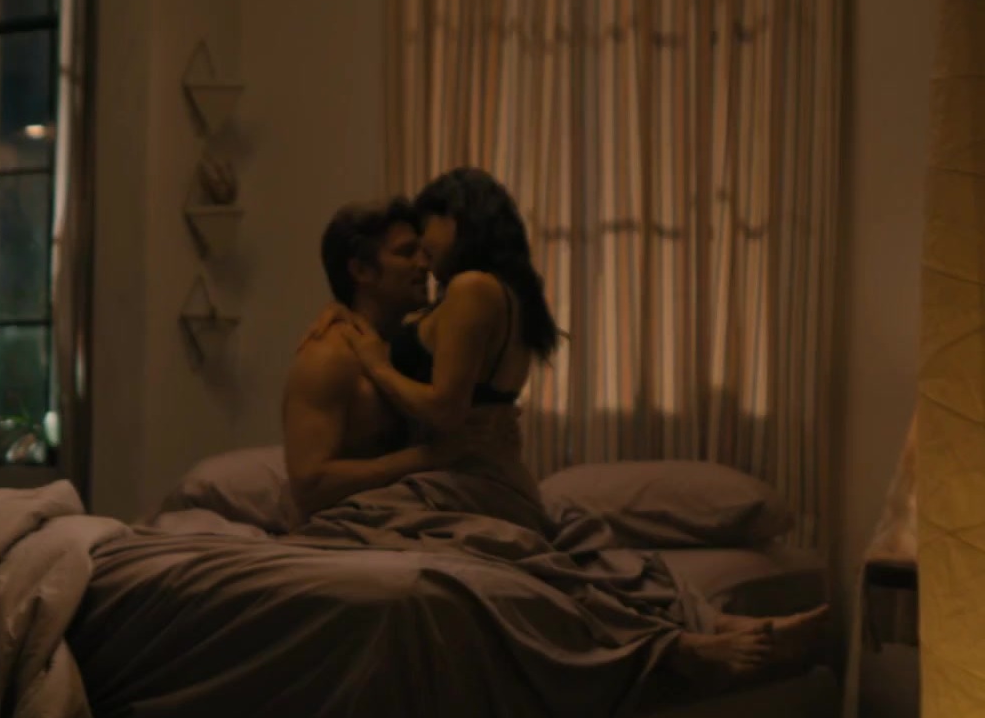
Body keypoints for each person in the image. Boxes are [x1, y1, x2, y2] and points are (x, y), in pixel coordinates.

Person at [301, 170, 832, 688]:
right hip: (489, 473)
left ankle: (676, 647)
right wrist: (344, 311)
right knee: (588, 560)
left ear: (457, 220)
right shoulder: (501, 293)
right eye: (408, 250)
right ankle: (719, 623)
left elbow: (445, 410)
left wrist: (378, 366)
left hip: (467, 476)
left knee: (549, 570)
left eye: (426, 234)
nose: (422, 254)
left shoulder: (471, 288)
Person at [281, 197, 516, 521]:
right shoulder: (329, 357)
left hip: (413, 515)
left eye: (422, 251)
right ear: (361, 270)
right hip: (347, 526)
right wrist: (430, 457)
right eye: (406, 253)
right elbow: (309, 486)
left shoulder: (409, 345)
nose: (424, 264)